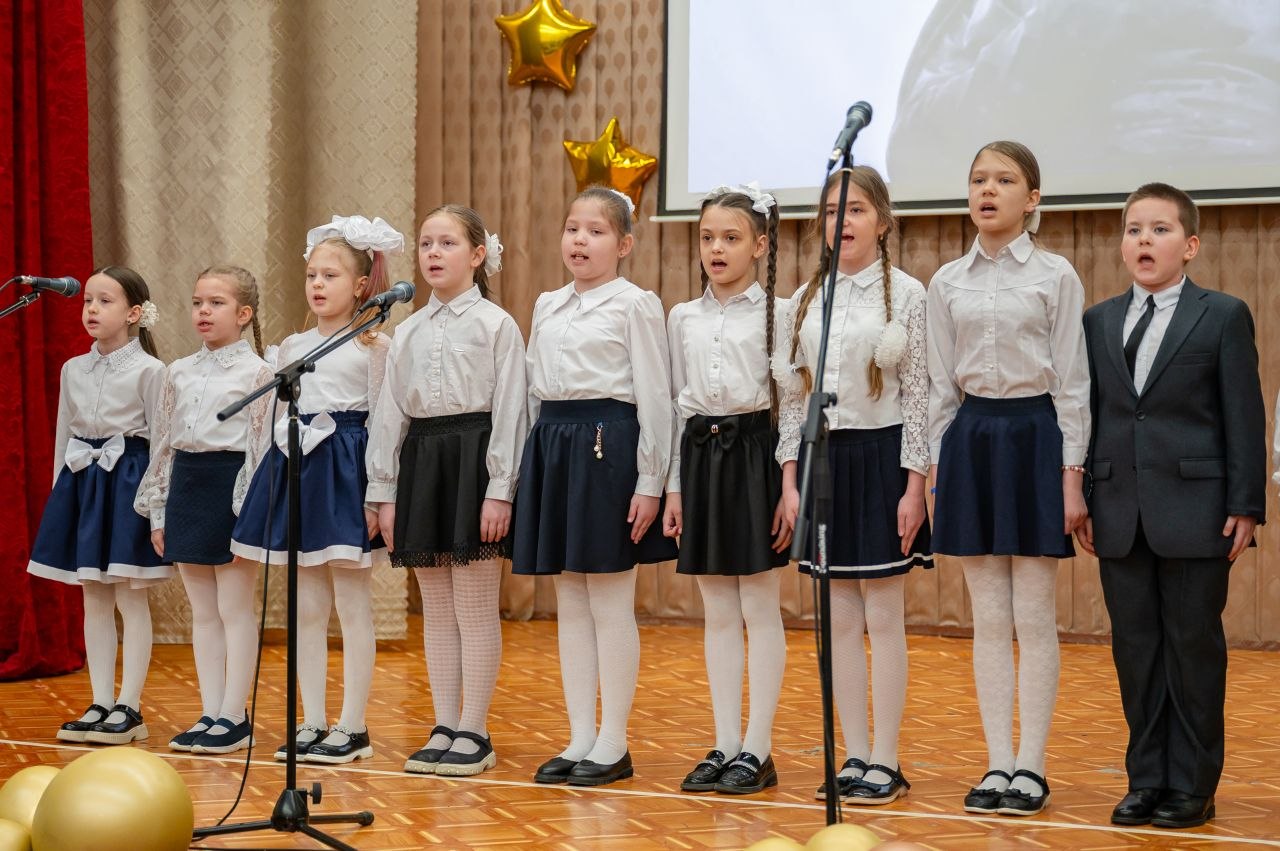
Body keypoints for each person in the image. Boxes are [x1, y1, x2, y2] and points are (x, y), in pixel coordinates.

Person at [1078, 182, 1266, 829]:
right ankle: (1147, 777)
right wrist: (1083, 493)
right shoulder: (1098, 320)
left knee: (1192, 650)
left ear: (1189, 245)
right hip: (1119, 510)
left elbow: (1244, 414)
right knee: (1136, 651)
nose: (1144, 240)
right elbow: (1092, 414)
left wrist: (1246, 502)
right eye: (1134, 229)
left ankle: (1192, 783)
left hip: (1198, 510)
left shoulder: (1223, 315)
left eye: (1160, 229)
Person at [927, 141, 1089, 817]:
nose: (987, 191)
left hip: (1036, 437)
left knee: (1034, 613)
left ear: (1033, 198)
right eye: (978, 180)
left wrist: (1072, 475)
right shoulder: (946, 282)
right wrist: (937, 471)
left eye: (1004, 180)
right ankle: (997, 761)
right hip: (973, 439)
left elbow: (1073, 383)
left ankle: (1033, 765)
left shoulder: (1056, 275)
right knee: (989, 616)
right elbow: (940, 388)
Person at [513, 186, 676, 787]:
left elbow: (656, 396)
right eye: (572, 228)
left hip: (609, 450)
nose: (579, 240)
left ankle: (614, 742)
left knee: (608, 598)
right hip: (555, 447)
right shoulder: (547, 304)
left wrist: (651, 480)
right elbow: (534, 391)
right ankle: (580, 735)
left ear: (624, 245)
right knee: (572, 600)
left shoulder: (635, 305)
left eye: (596, 231)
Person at [777, 167, 931, 804]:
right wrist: (790, 478)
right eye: (832, 211)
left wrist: (915, 486)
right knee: (839, 617)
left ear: (883, 222)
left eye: (858, 209)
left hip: (881, 457)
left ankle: (887, 760)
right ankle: (855, 754)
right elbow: (794, 397)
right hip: (825, 461)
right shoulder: (805, 298)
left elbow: (919, 395)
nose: (843, 222)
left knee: (883, 615)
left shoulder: (909, 295)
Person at [231, 215, 401, 764]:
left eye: (331, 275)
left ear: (361, 284)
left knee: (352, 605)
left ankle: (353, 726)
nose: (318, 284)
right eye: (311, 275)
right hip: (300, 471)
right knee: (306, 607)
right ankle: (312, 719)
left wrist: (378, 493)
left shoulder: (375, 346)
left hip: (346, 475)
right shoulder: (292, 348)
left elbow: (385, 424)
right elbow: (271, 418)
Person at [367, 205, 527, 777]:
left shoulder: (497, 325)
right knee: (434, 609)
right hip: (423, 464)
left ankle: (474, 728)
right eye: (426, 243)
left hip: (475, 463)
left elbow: (512, 411)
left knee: (475, 606)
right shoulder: (407, 331)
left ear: (478, 255)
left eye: (447, 243)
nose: (433, 253)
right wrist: (384, 491)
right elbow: (390, 415)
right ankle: (443, 723)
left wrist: (500, 489)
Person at [663, 183, 791, 795]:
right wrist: (673, 488)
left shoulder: (780, 314)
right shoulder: (682, 317)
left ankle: (758, 748)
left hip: (755, 455)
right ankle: (724, 742)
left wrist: (788, 484)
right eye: (708, 237)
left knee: (758, 604)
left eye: (732, 238)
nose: (717, 249)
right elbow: (674, 404)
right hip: (700, 457)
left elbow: (792, 405)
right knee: (716, 608)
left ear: (760, 245)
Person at [135, 265, 274, 754]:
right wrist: (159, 511)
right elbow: (163, 443)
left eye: (216, 303)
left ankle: (235, 715)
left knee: (234, 608)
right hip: (188, 487)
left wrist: (248, 515)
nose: (203, 311)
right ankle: (211, 710)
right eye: (197, 302)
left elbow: (260, 449)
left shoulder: (258, 373)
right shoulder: (178, 371)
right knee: (203, 611)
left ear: (244, 313)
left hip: (231, 488)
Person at [28, 266, 170, 744]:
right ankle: (100, 701)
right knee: (94, 595)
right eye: (88, 300)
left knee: (130, 595)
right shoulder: (73, 368)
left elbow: (161, 443)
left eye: (105, 301)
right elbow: (63, 436)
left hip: (128, 484)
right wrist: (61, 497)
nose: (91, 309)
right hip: (84, 485)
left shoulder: (151, 371)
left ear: (133, 313)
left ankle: (129, 705)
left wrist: (155, 507)